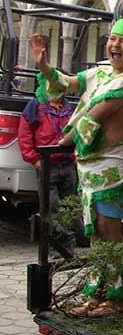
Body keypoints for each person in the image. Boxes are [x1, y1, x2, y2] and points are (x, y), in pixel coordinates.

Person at [31, 0, 123, 315]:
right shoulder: (98, 73)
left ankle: (116, 298)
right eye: (112, 39)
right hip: (89, 170)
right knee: (96, 235)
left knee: (111, 233)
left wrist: (63, 142)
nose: (115, 45)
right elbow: (65, 83)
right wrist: (45, 66)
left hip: (113, 169)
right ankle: (96, 294)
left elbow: (90, 121)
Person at [18, 81, 77, 251]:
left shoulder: (68, 107)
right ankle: (57, 249)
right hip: (47, 165)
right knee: (51, 207)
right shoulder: (36, 105)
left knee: (70, 206)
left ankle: (68, 249)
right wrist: (34, 160)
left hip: (68, 164)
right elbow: (25, 133)